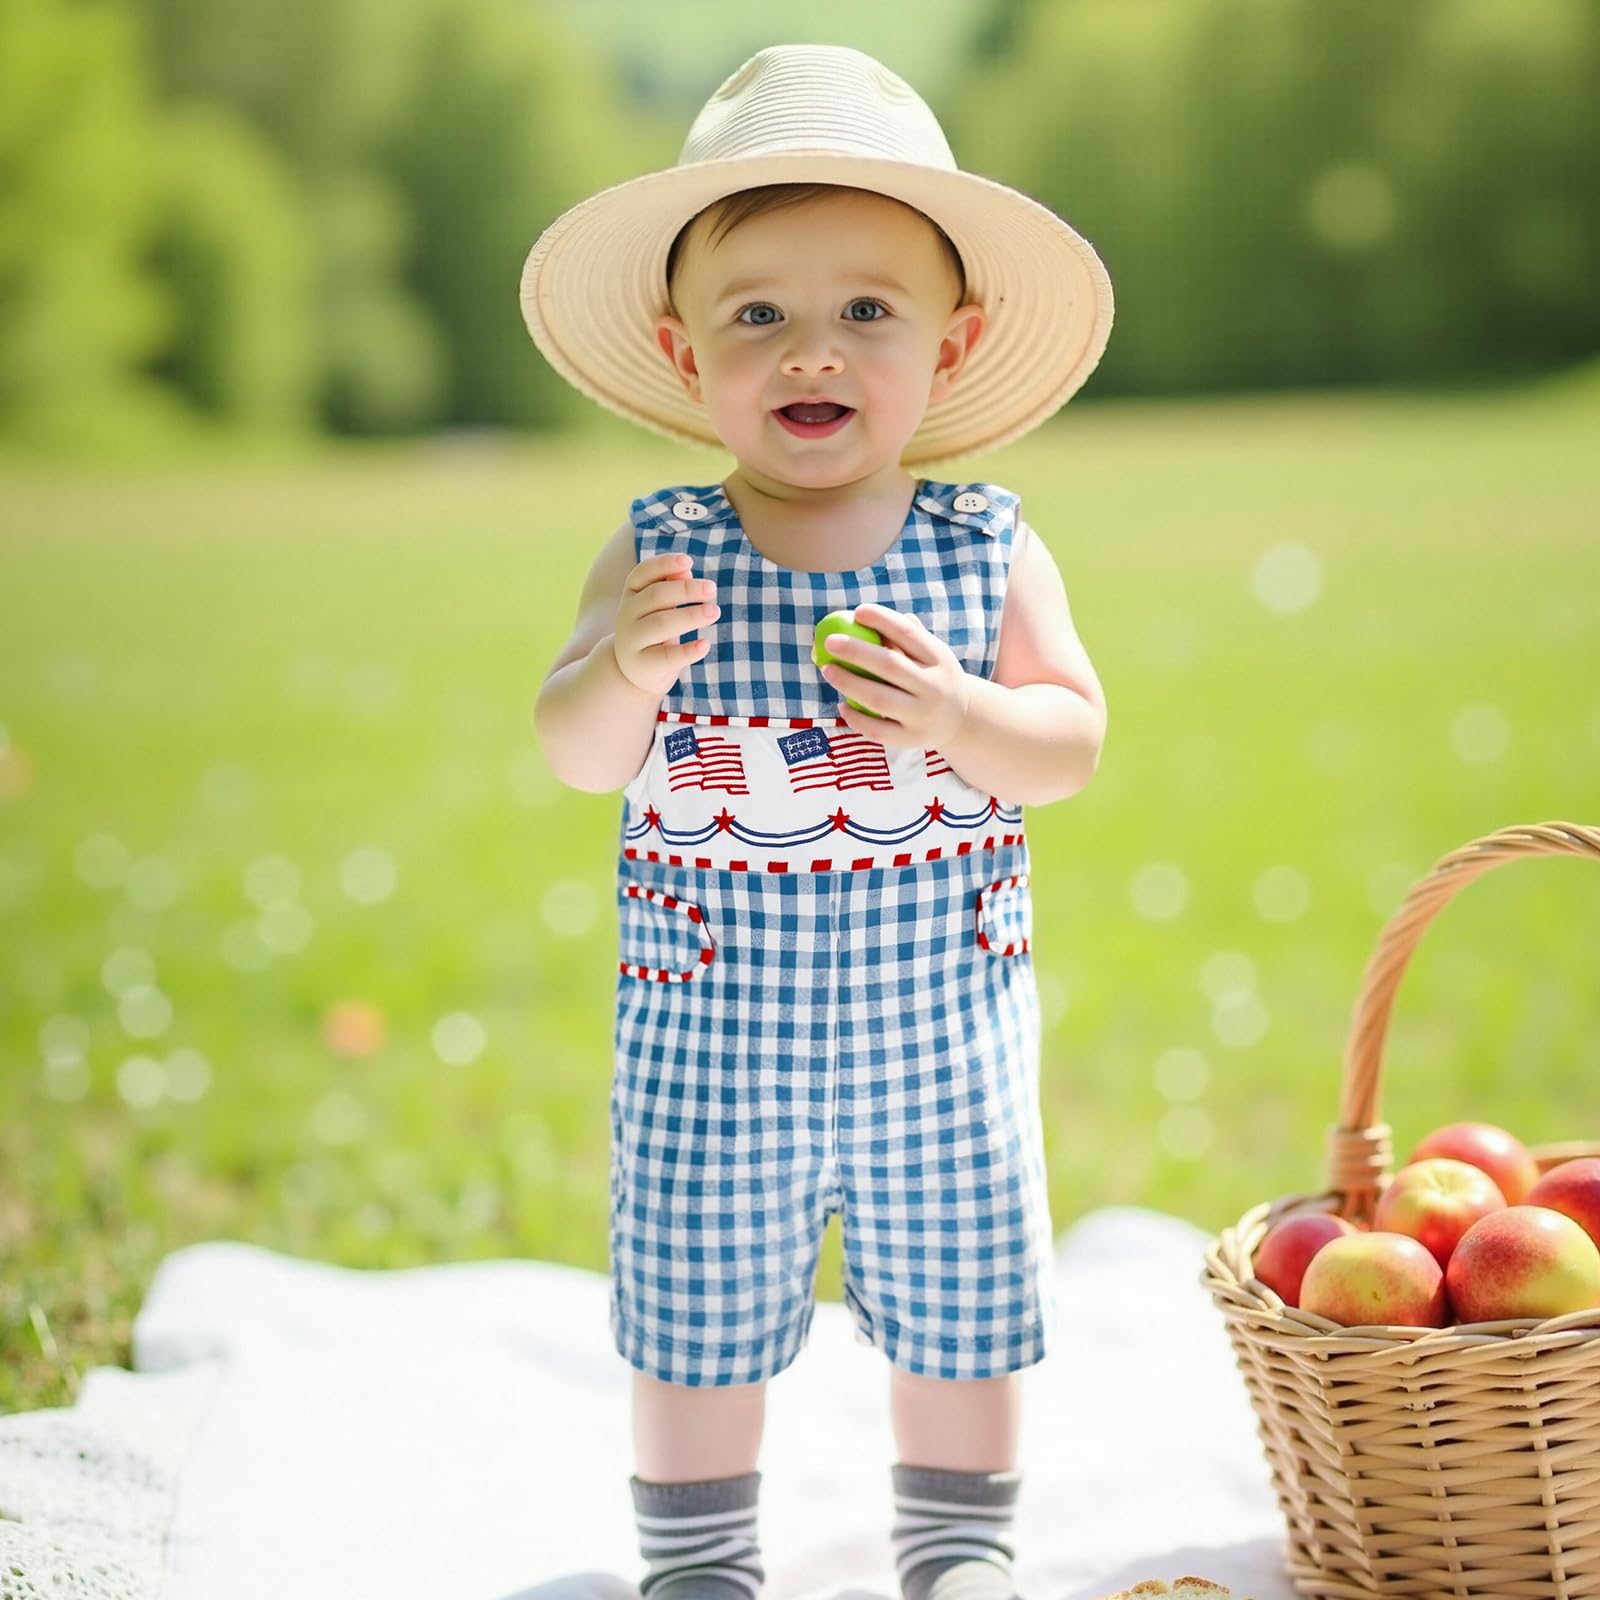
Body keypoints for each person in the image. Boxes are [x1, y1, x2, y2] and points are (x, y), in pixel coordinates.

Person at [527, 42, 1112, 1600]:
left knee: (963, 1290)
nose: (813, 353)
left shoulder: (985, 546)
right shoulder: (661, 547)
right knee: (697, 1296)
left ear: (952, 341)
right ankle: (702, 1558)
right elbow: (576, 751)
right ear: (683, 348)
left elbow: (1069, 743)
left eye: (867, 312)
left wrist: (968, 718)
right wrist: (621, 672)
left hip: (941, 1026)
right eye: (759, 315)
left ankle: (959, 1540)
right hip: (715, 1032)